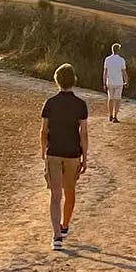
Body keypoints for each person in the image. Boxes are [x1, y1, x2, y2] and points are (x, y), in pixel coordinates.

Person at [41, 63, 88, 251]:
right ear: (74, 80)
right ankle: (65, 225)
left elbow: (44, 130)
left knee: (55, 195)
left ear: (56, 80)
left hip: (53, 152)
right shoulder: (81, 105)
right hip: (73, 154)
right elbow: (83, 133)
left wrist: (43, 150)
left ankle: (56, 237)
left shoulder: (50, 103)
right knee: (70, 192)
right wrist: (85, 156)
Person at [102, 43, 128, 123]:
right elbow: (124, 72)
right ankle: (115, 116)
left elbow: (105, 72)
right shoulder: (121, 60)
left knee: (110, 99)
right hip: (118, 82)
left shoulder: (107, 59)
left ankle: (110, 115)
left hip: (110, 81)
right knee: (117, 100)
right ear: (118, 50)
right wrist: (126, 80)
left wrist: (104, 83)